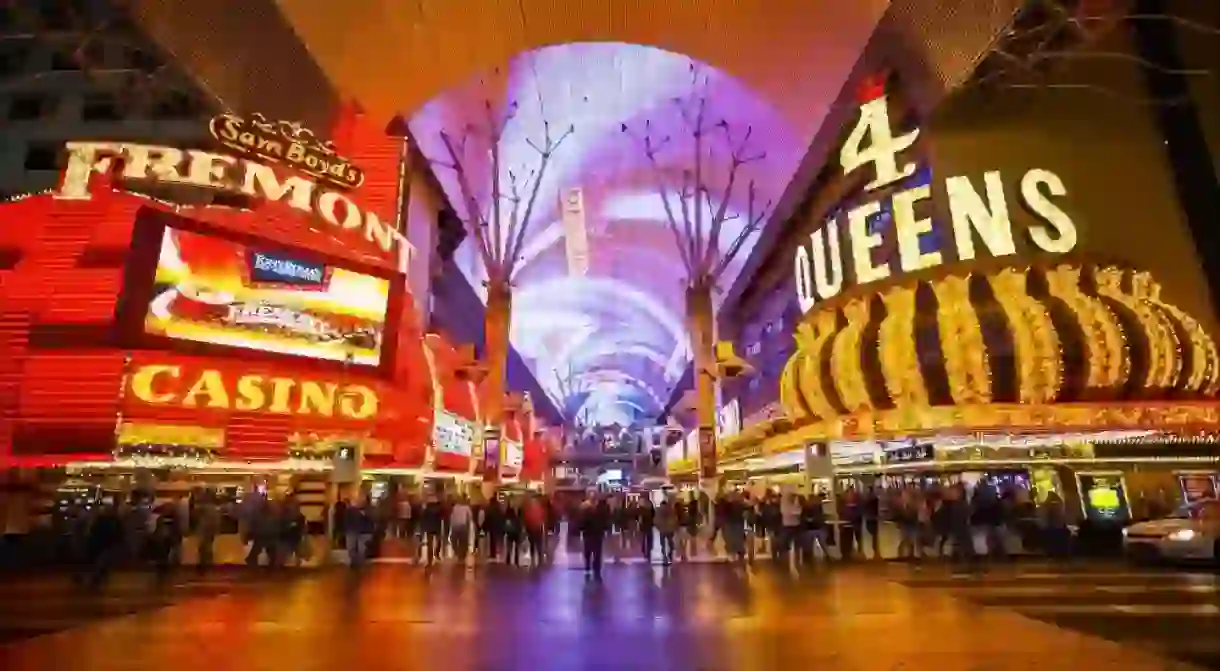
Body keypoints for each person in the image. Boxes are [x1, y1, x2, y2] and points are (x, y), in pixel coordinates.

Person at [580, 494, 611, 580]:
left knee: (588, 553)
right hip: (597, 535)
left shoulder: (586, 511)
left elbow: (582, 523)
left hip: (589, 535)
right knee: (597, 553)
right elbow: (605, 522)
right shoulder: (600, 511)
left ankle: (588, 568)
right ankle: (596, 570)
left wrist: (581, 529)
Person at [194, 493, 221, 574]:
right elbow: (217, 521)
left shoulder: (204, 508)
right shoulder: (215, 509)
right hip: (210, 530)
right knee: (208, 547)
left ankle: (203, 566)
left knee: (202, 548)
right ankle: (209, 564)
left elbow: (195, 512)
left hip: (204, 530)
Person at [419, 495, 444, 566]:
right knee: (438, 542)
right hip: (437, 528)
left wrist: (423, 528)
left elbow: (423, 519)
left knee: (429, 545)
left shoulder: (426, 510)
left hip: (429, 528)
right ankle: (436, 554)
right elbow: (442, 518)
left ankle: (430, 560)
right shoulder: (439, 510)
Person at [524, 495, 547, 566]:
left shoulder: (528, 509)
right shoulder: (540, 509)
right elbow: (543, 517)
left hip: (532, 528)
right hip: (537, 528)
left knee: (533, 544)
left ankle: (534, 558)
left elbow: (526, 519)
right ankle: (539, 559)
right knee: (538, 544)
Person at [449, 496, 473, 563]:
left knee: (456, 540)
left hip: (456, 526)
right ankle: (461, 554)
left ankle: (459, 553)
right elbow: (470, 517)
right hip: (461, 526)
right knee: (462, 541)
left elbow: (452, 517)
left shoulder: (456, 508)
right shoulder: (465, 507)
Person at [656, 497, 678, 565]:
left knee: (663, 545)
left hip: (662, 530)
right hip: (669, 530)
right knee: (670, 543)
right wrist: (673, 527)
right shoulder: (671, 510)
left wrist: (659, 527)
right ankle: (669, 554)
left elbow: (656, 521)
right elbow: (675, 519)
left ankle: (665, 557)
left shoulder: (658, 511)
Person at [504, 498, 524, 566]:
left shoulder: (517, 510)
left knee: (514, 546)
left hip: (515, 530)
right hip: (513, 530)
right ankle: (511, 559)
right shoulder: (511, 511)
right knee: (511, 545)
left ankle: (513, 559)